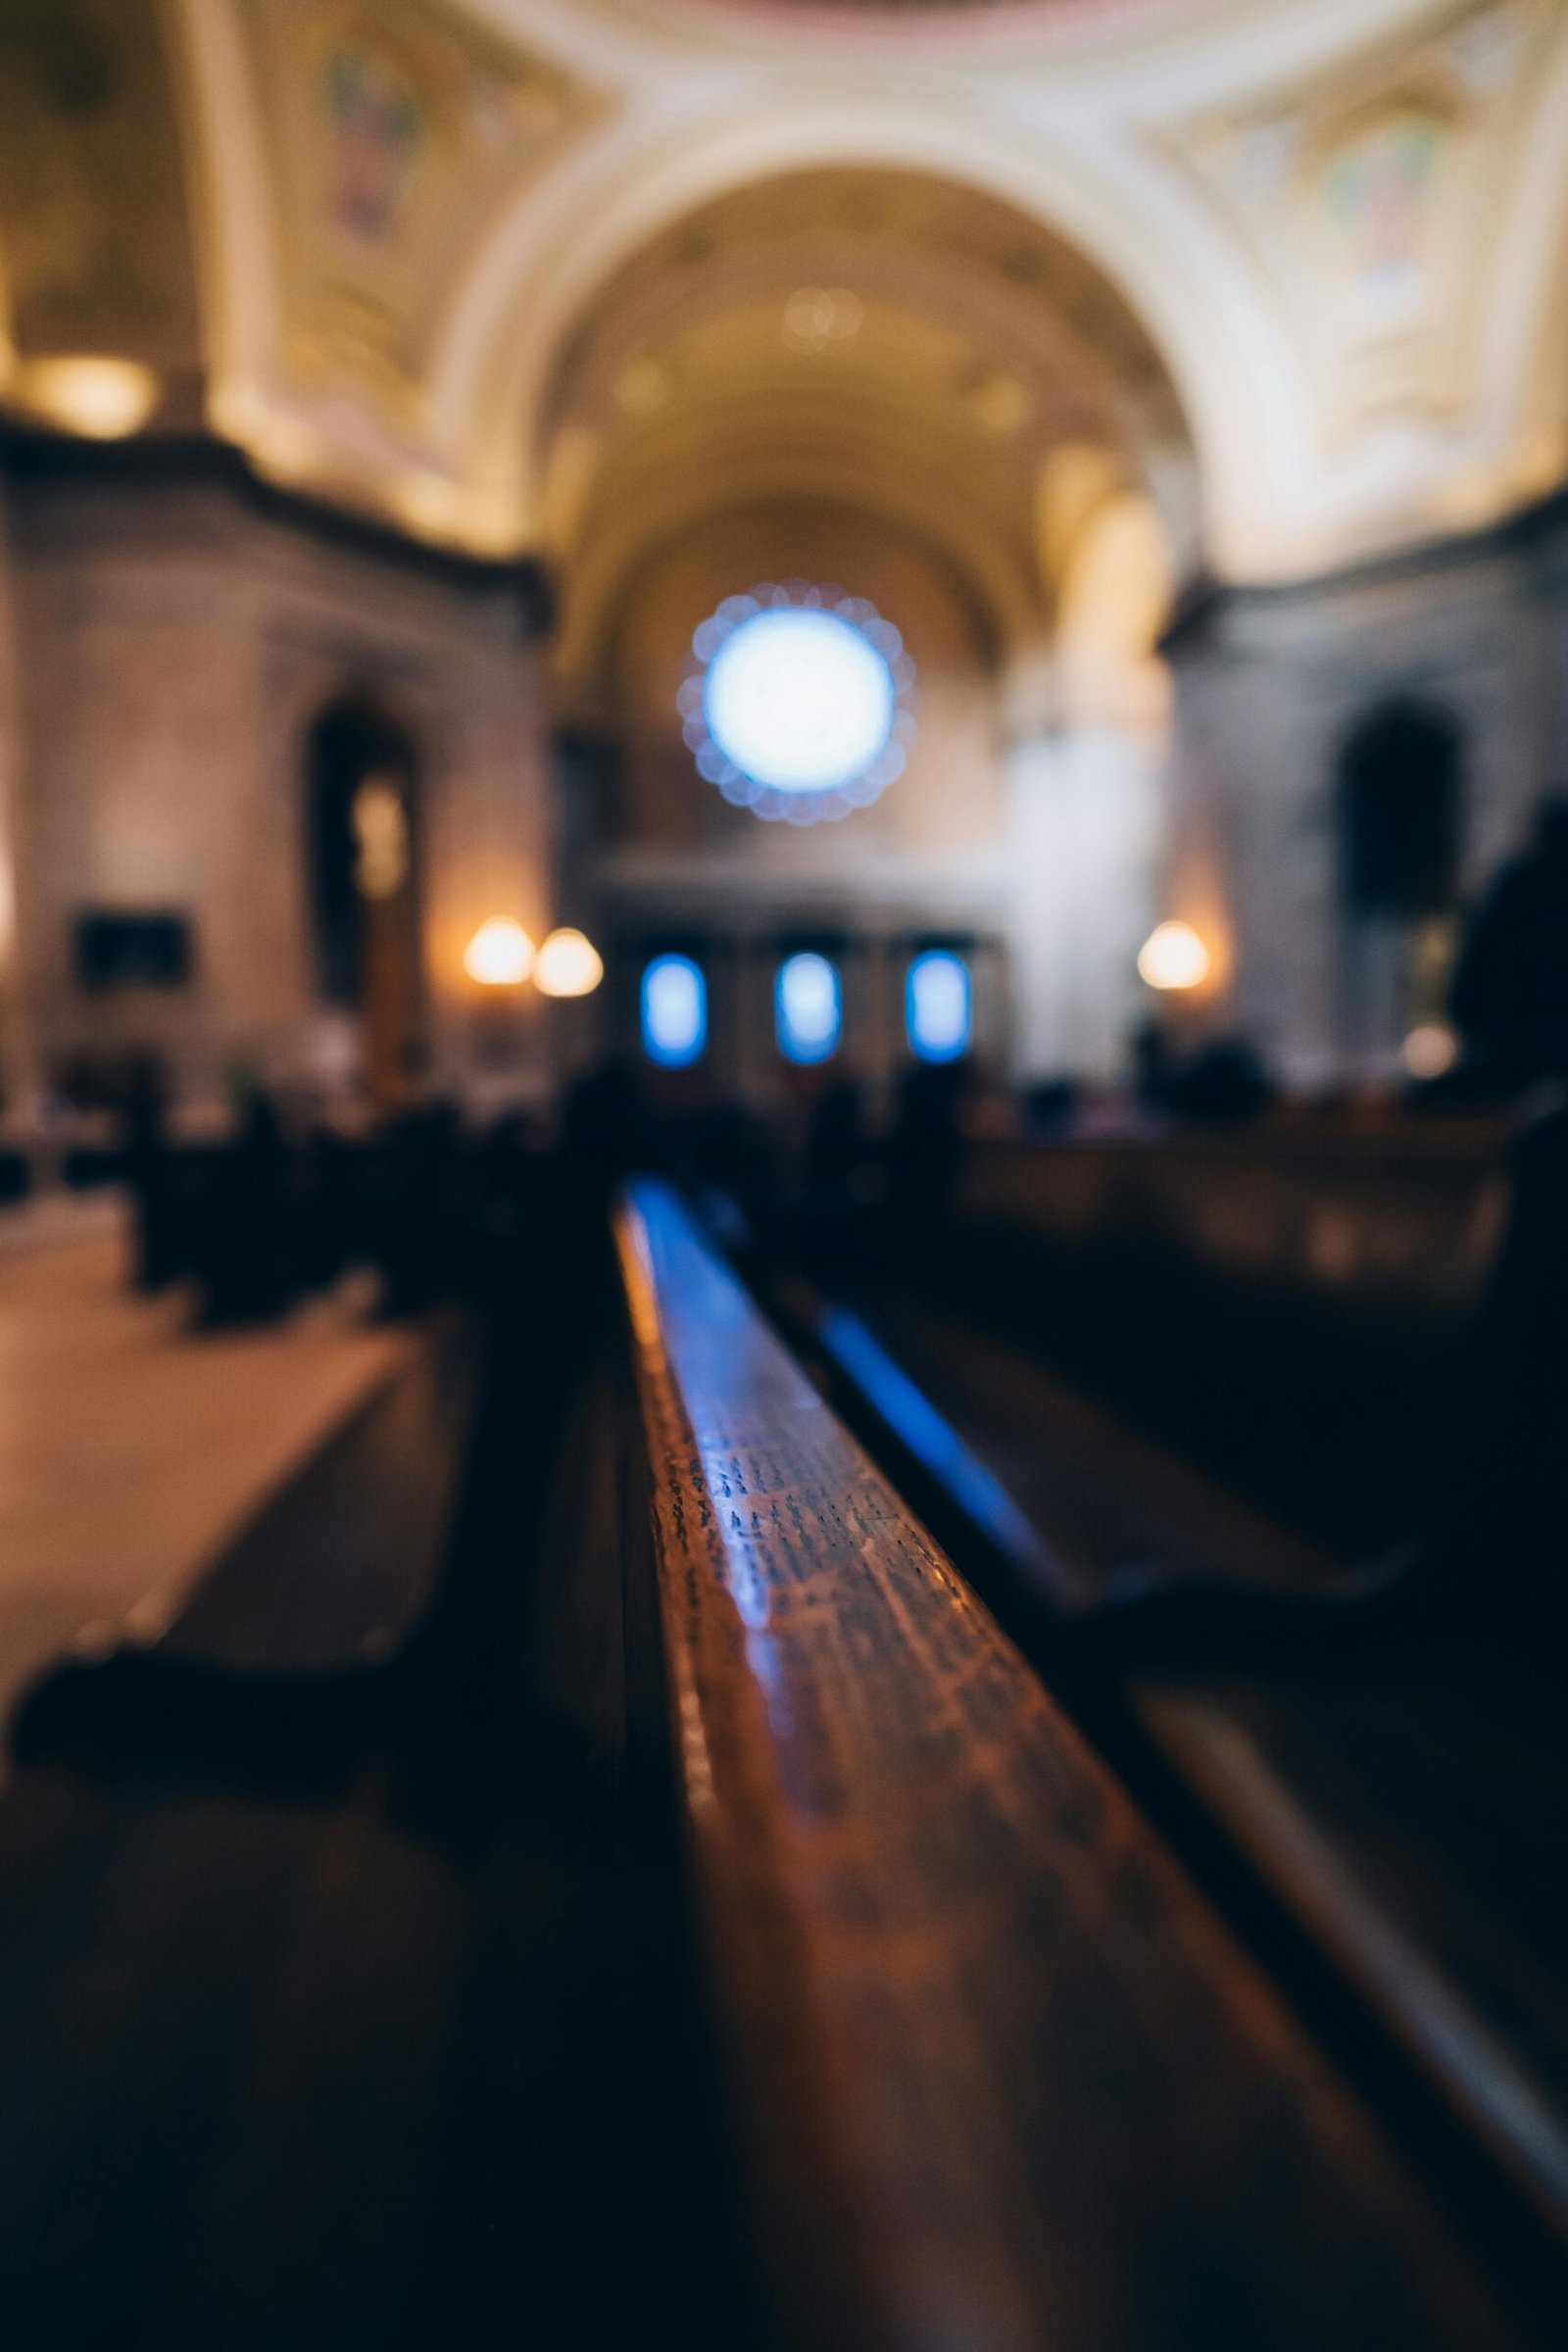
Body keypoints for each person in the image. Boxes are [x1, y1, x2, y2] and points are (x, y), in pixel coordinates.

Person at [1449, 798, 1568, 1097]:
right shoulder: (1520, 888)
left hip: (1512, 1050)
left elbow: (1474, 979)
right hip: (1520, 1047)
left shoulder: (1518, 887)